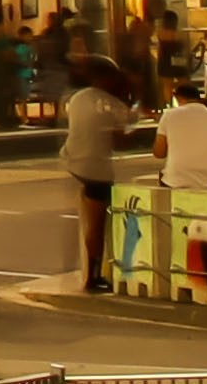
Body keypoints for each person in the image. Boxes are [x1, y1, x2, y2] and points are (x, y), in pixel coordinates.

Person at [63, 50, 148, 290]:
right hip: (95, 168)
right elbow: (120, 142)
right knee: (97, 225)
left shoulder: (77, 98)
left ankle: (92, 271)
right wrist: (134, 119)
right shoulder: (112, 104)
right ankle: (93, 276)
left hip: (72, 159)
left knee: (89, 222)